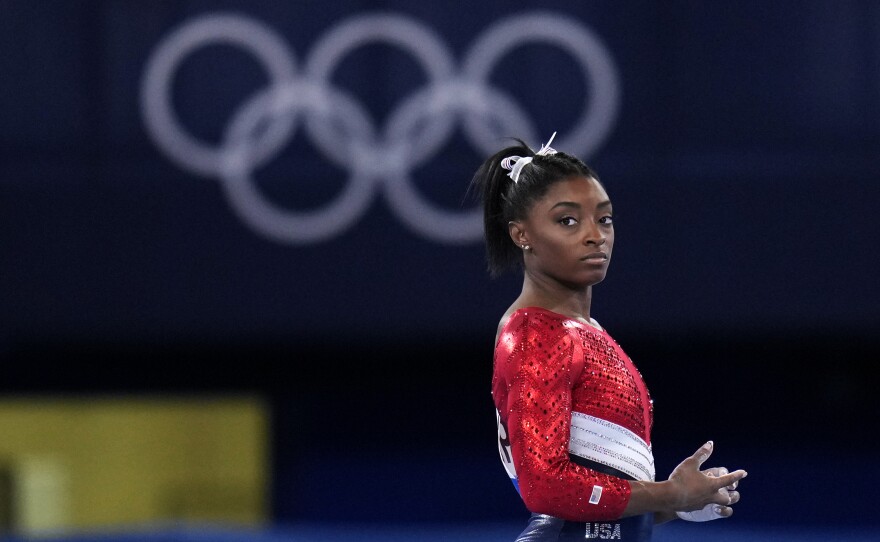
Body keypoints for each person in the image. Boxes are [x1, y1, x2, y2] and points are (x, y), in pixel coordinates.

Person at [468, 133, 747, 541]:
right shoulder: (536, 333)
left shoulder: (584, 332)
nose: (594, 235)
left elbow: (595, 507)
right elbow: (545, 488)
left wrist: (679, 504)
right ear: (521, 234)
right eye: (567, 221)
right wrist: (670, 493)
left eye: (604, 219)